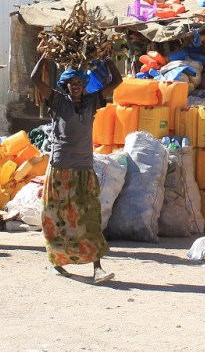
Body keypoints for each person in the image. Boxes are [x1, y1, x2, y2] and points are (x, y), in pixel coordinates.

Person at [33, 59, 121, 284]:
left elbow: (117, 81)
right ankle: (56, 261)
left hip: (84, 169)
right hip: (61, 168)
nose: (76, 86)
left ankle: (97, 268)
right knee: (57, 217)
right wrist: (45, 57)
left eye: (80, 82)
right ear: (65, 85)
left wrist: (109, 62)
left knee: (89, 218)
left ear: (85, 85)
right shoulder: (58, 101)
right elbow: (34, 79)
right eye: (71, 82)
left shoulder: (92, 101)